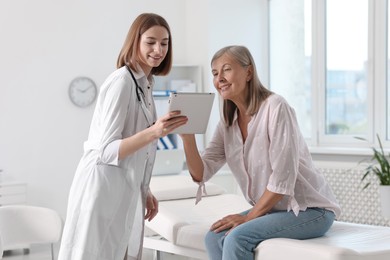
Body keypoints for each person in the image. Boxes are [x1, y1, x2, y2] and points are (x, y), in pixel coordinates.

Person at [179, 45, 341, 260]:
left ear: (248, 72)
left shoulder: (276, 107)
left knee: (238, 237)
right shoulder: (228, 123)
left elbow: (282, 180)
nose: (220, 78)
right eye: (215, 73)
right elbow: (200, 174)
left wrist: (247, 219)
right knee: (214, 236)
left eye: (226, 69)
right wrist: (187, 137)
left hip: (309, 210)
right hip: (275, 210)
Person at [58, 13, 188, 260]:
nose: (158, 49)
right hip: (102, 188)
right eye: (150, 42)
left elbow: (135, 150)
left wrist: (145, 189)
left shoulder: (146, 83)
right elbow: (106, 150)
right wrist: (154, 132)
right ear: (135, 41)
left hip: (126, 187)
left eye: (164, 43)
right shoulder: (122, 82)